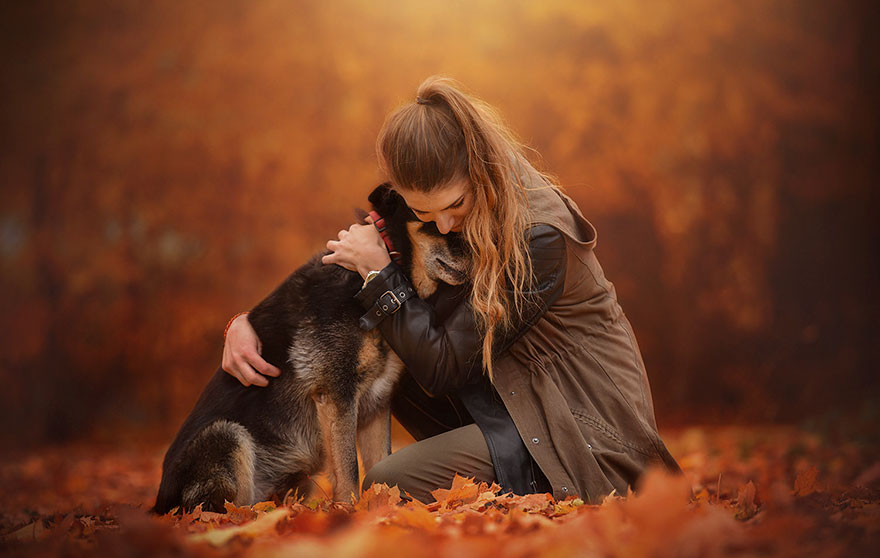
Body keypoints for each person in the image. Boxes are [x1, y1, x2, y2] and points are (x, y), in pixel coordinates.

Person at [222, 76, 682, 504]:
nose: (443, 225)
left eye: (454, 204)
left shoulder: (540, 237)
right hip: (518, 406)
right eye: (424, 214)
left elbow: (442, 364)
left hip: (583, 427)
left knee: (386, 483)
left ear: (478, 168)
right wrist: (250, 323)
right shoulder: (467, 214)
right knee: (385, 348)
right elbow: (340, 293)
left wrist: (380, 273)